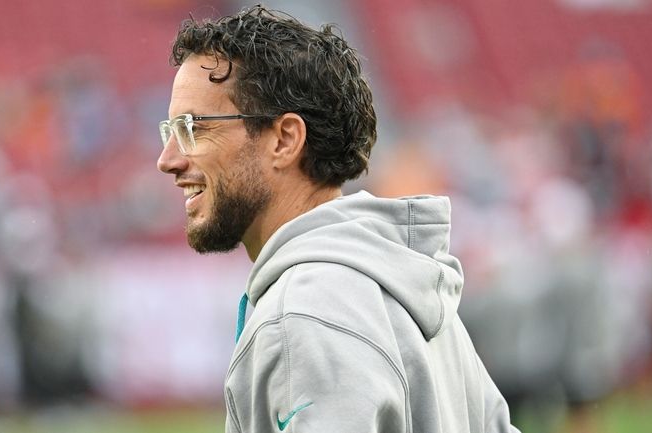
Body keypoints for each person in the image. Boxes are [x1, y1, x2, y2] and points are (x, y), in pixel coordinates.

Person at [157, 5, 518, 433]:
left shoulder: (305, 312)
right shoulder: (406, 290)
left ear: (285, 139)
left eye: (194, 128)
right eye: (171, 131)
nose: (168, 160)